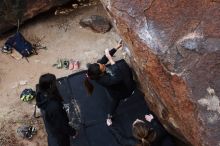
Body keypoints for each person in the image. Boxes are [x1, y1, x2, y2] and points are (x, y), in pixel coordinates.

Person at [84, 41, 136, 120]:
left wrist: (116, 47)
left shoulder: (97, 71)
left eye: (100, 64)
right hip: (118, 91)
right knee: (116, 101)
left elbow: (104, 59)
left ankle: (110, 115)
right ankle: (110, 116)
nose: (103, 64)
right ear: (101, 74)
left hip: (113, 84)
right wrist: (111, 59)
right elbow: (118, 77)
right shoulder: (105, 80)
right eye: (103, 67)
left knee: (122, 68)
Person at [36, 73, 77, 146]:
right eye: (55, 82)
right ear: (50, 86)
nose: (56, 83)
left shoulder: (40, 92)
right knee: (63, 142)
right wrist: (72, 132)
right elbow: (61, 125)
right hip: (58, 130)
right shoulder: (54, 107)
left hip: (51, 120)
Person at [107, 114, 175, 146]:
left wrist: (110, 126)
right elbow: (162, 131)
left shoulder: (132, 142)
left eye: (135, 122)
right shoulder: (156, 133)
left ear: (134, 133)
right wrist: (152, 120)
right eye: (139, 121)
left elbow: (120, 138)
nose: (137, 119)